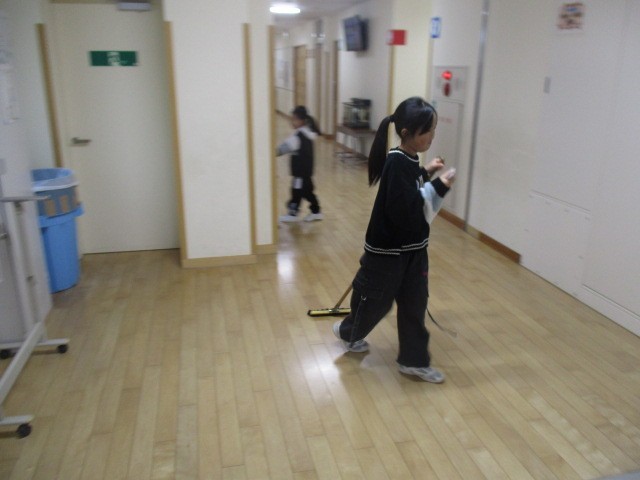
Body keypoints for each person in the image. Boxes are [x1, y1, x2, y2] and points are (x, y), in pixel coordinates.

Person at [332, 96, 456, 383]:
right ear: (406, 133)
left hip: (413, 252)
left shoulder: (408, 160)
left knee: (414, 306)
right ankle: (349, 332)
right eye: (427, 131)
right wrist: (439, 186)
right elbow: (405, 210)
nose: (432, 136)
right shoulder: (396, 162)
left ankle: (413, 361)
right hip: (388, 254)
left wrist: (427, 171)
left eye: (434, 129)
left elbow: (410, 187)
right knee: (376, 303)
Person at [276, 105, 323, 222]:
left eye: (294, 119)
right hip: (306, 172)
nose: (291, 121)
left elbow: (281, 150)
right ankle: (316, 212)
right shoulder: (307, 133)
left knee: (296, 192)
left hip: (300, 173)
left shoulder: (298, 137)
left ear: (302, 120)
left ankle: (293, 214)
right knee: (307, 192)